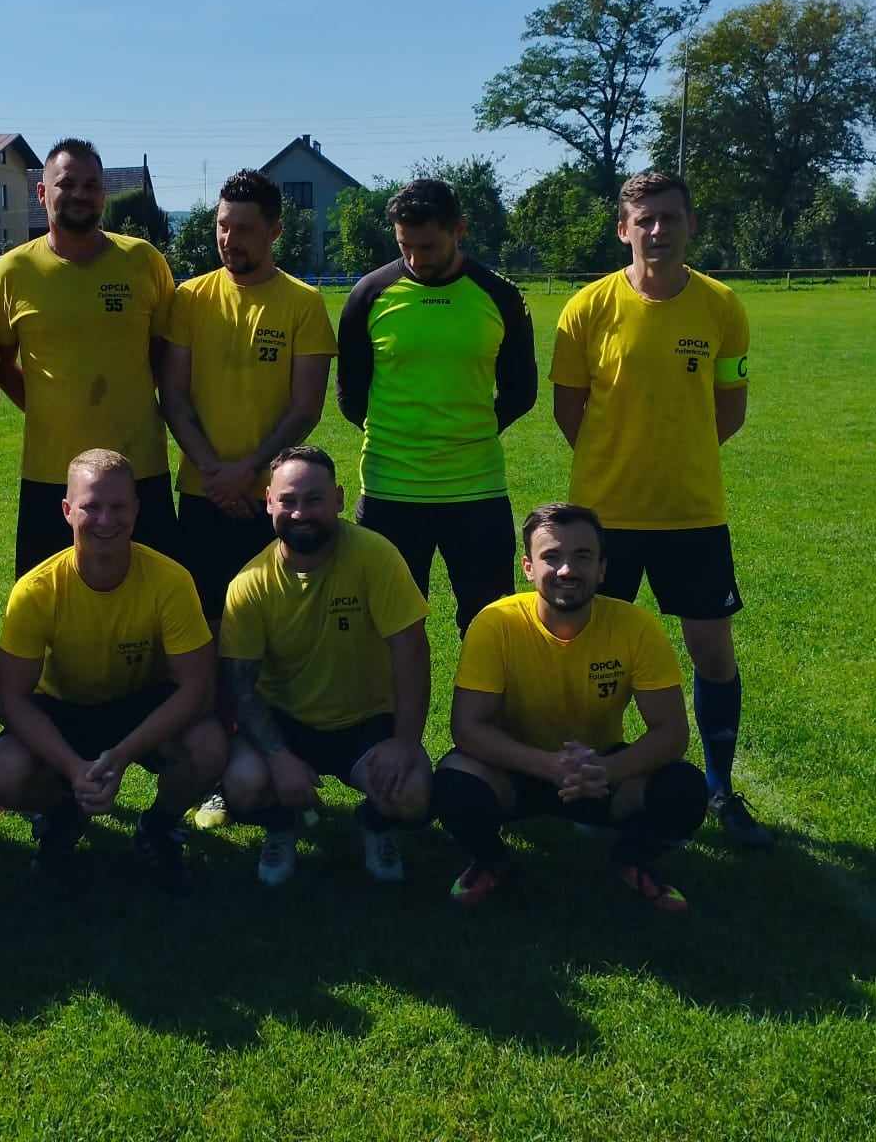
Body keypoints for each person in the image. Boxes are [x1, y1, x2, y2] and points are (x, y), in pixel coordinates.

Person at [549, 171, 767, 848]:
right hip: (604, 518)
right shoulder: (586, 308)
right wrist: (617, 463)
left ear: (691, 224)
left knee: (712, 652)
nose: (658, 230)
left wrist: (680, 458)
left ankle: (721, 787)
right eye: (644, 220)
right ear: (623, 229)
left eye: (670, 217)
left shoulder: (722, 306)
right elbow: (569, 410)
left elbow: (730, 410)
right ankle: (590, 780)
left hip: (692, 514)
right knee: (589, 652)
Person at [432, 503, 708, 912]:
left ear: (602, 568)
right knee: (453, 784)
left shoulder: (636, 626)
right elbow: (467, 728)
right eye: (552, 557)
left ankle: (631, 860)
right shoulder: (495, 623)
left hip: (599, 771)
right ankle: (491, 862)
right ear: (528, 567)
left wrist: (608, 769)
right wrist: (547, 766)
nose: (566, 570)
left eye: (582, 557)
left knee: (685, 788)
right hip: (518, 769)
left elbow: (671, 733)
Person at [0, 449, 226, 894]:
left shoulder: (170, 580)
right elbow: (12, 700)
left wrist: (120, 756)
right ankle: (64, 816)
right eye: (91, 506)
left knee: (209, 746)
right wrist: (72, 767)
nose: (105, 520)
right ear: (67, 510)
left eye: (118, 507)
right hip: (64, 708)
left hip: (139, 704)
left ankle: (158, 827)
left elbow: (197, 687)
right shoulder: (35, 589)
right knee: (6, 772)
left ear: (136, 510)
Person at [218, 447, 431, 886]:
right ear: (268, 502)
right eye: (288, 501)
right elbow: (240, 688)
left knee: (413, 794)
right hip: (286, 721)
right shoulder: (249, 584)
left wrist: (405, 742)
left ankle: (375, 823)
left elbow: (411, 653)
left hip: (366, 720)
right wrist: (278, 756)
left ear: (338, 499)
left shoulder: (376, 555)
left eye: (314, 499)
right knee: (243, 783)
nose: (300, 513)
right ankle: (281, 826)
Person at [336, 178, 537, 630]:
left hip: (477, 490)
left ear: (459, 230)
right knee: (388, 629)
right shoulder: (369, 294)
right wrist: (401, 434)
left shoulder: (500, 295)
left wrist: (469, 431)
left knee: (490, 627)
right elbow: (350, 395)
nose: (415, 259)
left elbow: (521, 391)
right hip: (389, 490)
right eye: (404, 246)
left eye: (427, 246)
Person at [0, 137, 180, 576]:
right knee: (45, 596)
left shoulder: (143, 261)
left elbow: (164, 353)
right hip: (51, 472)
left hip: (138, 467)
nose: (79, 194)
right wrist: (44, 404)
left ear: (103, 195)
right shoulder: (12, 272)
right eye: (66, 184)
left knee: (154, 593)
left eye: (91, 185)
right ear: (42, 193)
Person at [161, 168, 335, 628]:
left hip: (275, 498)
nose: (228, 239)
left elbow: (305, 408)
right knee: (205, 623)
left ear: (274, 231)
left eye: (243, 229)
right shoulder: (189, 298)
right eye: (222, 225)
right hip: (202, 492)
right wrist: (215, 474)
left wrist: (249, 471)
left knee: (275, 624)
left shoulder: (304, 303)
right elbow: (173, 397)